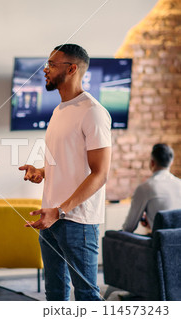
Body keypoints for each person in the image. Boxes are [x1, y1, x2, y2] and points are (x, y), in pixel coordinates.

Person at [19, 44, 111, 301]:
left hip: (77, 222)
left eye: (51, 64)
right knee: (55, 295)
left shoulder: (93, 112)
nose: (45, 70)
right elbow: (65, 164)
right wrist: (41, 171)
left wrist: (61, 210)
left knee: (86, 296)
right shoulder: (58, 111)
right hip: (50, 220)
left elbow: (100, 174)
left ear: (72, 69)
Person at [122, 143, 181, 233]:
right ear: (171, 162)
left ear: (152, 162)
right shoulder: (179, 183)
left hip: (160, 243)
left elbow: (129, 227)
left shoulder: (145, 188)